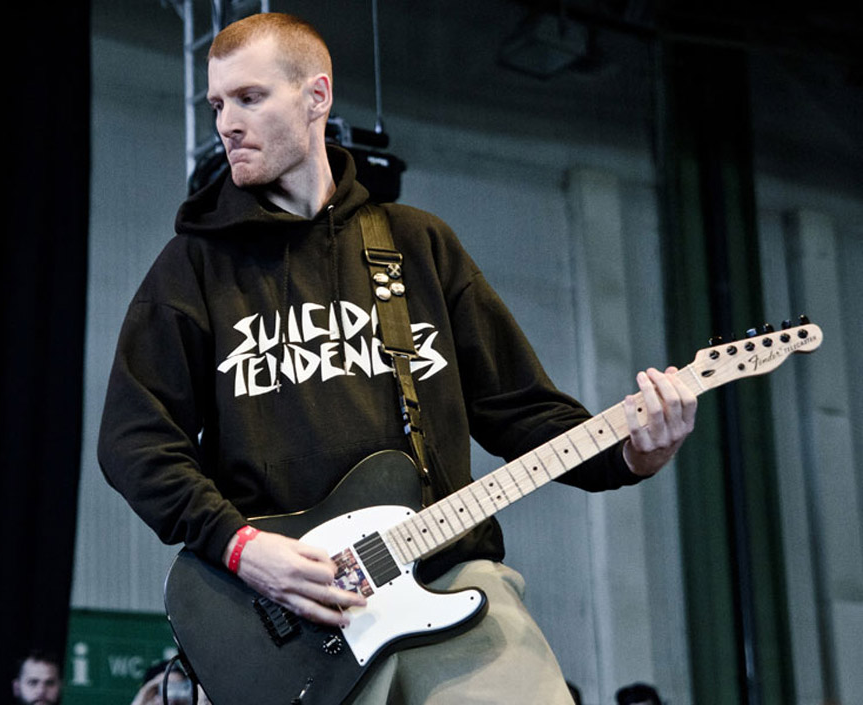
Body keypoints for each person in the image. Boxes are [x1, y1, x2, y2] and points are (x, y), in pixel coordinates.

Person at [98, 11, 697, 704]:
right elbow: (134, 439)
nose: (226, 121)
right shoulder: (194, 267)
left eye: (250, 97)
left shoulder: (416, 246)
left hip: (449, 577)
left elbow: (523, 410)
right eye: (217, 103)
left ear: (316, 95)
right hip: (290, 619)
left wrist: (630, 455)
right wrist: (241, 547)